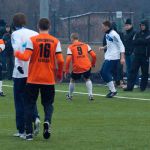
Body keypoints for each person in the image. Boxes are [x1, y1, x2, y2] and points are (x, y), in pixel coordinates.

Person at [15, 18, 64, 140]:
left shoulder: (32, 40)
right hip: (48, 78)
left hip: (33, 78)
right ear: (50, 27)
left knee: (29, 104)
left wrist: (16, 54)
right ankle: (47, 121)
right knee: (48, 104)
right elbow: (61, 60)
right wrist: (59, 74)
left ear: (38, 26)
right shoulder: (55, 41)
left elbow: (26, 57)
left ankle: (29, 133)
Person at [11, 13, 40, 139]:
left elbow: (17, 50)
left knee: (19, 101)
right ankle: (36, 117)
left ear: (14, 23)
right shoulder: (34, 33)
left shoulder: (15, 34)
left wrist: (18, 65)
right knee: (31, 99)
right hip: (33, 71)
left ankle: (22, 130)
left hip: (20, 72)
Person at [65, 33, 96, 101]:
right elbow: (93, 55)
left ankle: (70, 96)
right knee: (87, 78)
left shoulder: (70, 47)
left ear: (72, 39)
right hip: (87, 66)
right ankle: (90, 95)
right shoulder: (86, 45)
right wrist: (93, 64)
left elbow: (68, 60)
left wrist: (66, 70)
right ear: (78, 38)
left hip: (77, 67)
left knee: (72, 80)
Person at [99, 21, 125, 98]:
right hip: (108, 56)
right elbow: (110, 43)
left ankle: (113, 91)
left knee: (105, 72)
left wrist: (122, 57)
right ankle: (112, 90)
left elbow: (121, 45)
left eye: (103, 26)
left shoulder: (114, 34)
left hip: (114, 57)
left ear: (107, 27)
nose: (102, 28)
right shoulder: (107, 34)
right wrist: (104, 47)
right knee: (102, 72)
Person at [124, 20, 150, 92]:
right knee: (132, 71)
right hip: (137, 55)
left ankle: (142, 88)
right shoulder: (138, 33)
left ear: (146, 25)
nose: (142, 27)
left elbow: (147, 41)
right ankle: (129, 87)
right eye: (141, 25)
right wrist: (142, 41)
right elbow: (134, 42)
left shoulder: (149, 33)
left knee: (144, 72)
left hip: (145, 56)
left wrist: (140, 41)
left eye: (143, 25)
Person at [124, 19, 139, 88]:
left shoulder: (134, 33)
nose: (126, 26)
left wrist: (133, 52)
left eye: (127, 25)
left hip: (132, 54)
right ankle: (130, 83)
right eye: (125, 25)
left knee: (134, 69)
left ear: (131, 25)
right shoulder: (126, 33)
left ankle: (136, 83)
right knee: (128, 69)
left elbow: (135, 44)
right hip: (127, 53)